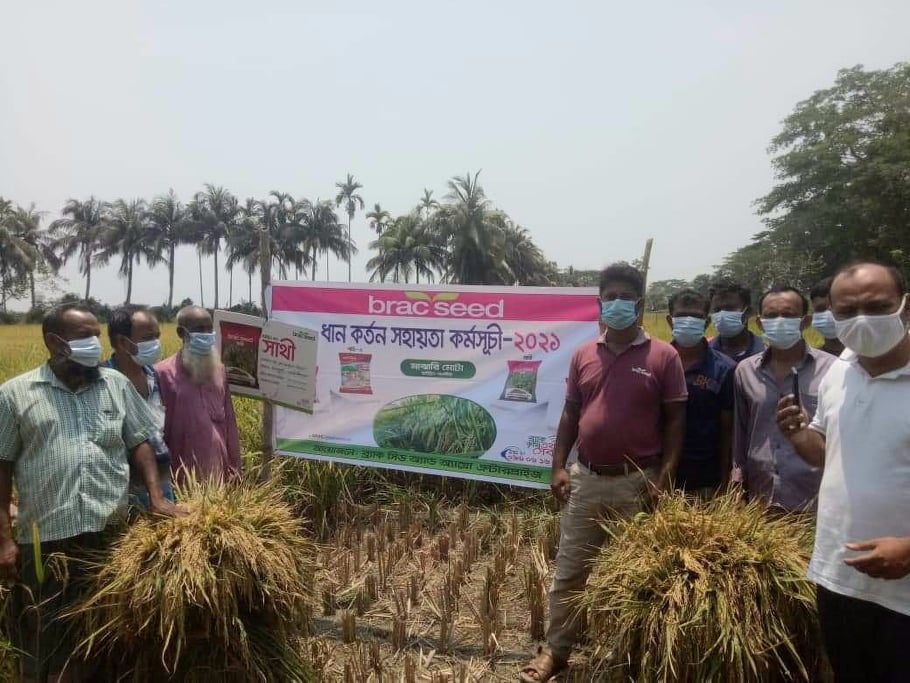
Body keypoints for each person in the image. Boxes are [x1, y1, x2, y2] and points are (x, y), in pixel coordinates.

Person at [520, 263, 687, 682]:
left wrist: (663, 477)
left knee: (638, 574)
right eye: (608, 297)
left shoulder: (664, 356)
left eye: (624, 298)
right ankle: (556, 652)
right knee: (570, 572)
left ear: (639, 304)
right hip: (587, 480)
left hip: (639, 483)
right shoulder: (583, 354)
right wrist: (558, 466)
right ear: (599, 303)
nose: (616, 304)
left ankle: (629, 655)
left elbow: (675, 422)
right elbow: (571, 413)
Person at [0, 304, 180, 682]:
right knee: (43, 641)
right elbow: (1, 469)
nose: (95, 344)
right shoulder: (15, 395)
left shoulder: (115, 385)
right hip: (46, 544)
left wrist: (156, 497)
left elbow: (140, 442)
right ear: (54, 342)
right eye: (84, 336)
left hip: (109, 539)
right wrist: (4, 540)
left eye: (97, 335)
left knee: (107, 639)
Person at [778, 261, 910, 681]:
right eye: (847, 311)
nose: (862, 321)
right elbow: (823, 452)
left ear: (906, 308)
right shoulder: (840, 372)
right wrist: (799, 436)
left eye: (877, 306)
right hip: (838, 576)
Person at [732, 285, 835, 512]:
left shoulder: (833, 370)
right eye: (771, 316)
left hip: (814, 499)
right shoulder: (745, 371)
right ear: (759, 323)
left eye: (788, 315)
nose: (779, 321)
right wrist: (737, 485)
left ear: (805, 321)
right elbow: (740, 434)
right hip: (761, 498)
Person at [155, 305, 241, 481]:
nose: (206, 334)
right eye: (199, 329)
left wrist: (235, 467)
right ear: (181, 332)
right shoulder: (161, 373)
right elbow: (156, 433)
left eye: (209, 329)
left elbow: (229, 423)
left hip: (219, 471)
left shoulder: (219, 371)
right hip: (180, 475)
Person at [105, 305, 174, 508]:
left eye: (157, 336)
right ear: (121, 342)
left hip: (161, 486)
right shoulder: (102, 382)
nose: (155, 343)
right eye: (146, 338)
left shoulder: (156, 376)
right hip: (120, 492)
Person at [667, 288, 735, 496]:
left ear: (706, 323)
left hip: (706, 480)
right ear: (670, 321)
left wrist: (725, 483)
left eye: (696, 317)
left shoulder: (724, 369)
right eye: (681, 316)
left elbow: (727, 432)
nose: (688, 321)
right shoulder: (655, 362)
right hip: (659, 476)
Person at [708, 279, 765, 364]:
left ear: (748, 312)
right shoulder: (704, 353)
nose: (722, 314)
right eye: (717, 310)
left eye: (730, 308)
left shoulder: (766, 353)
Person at [810, 276, 845, 356]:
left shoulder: (869, 359)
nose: (829, 313)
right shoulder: (813, 360)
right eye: (821, 308)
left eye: (835, 307)